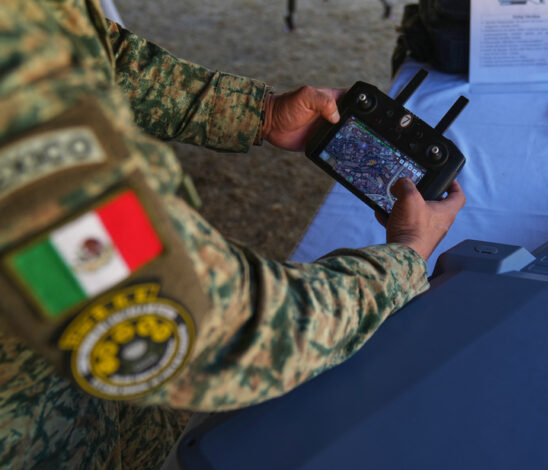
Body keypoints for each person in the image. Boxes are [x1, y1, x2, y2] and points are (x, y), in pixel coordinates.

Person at [0, 0, 465, 468]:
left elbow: (98, 54)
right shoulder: (17, 121)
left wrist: (253, 112)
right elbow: (214, 330)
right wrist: (403, 259)